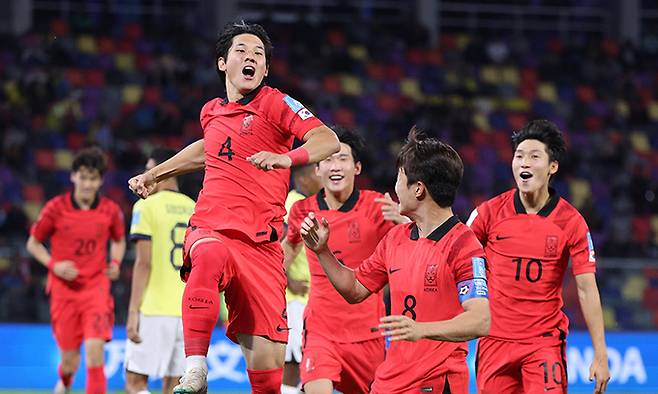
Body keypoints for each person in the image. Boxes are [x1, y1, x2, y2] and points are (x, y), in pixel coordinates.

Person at [128, 21, 340, 393]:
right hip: (213, 225)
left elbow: (327, 139)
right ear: (222, 63)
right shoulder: (211, 112)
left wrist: (286, 159)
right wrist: (157, 174)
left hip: (261, 246)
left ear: (266, 69)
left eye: (259, 54)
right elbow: (207, 148)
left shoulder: (276, 103)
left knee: (268, 370)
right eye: (242, 51)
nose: (251, 58)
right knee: (207, 256)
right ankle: (195, 369)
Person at [299, 127, 490, 393]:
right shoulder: (396, 238)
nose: (395, 188)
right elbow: (354, 289)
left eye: (400, 178)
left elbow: (480, 320)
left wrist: (422, 330)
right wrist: (323, 252)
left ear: (419, 189)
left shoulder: (463, 245)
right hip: (391, 381)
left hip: (435, 382)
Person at [467, 119, 610, 394]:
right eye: (519, 156)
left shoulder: (572, 222)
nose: (524, 163)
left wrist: (600, 354)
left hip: (543, 342)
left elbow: (586, 289)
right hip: (495, 339)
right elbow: (455, 254)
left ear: (552, 167)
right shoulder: (488, 213)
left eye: (534, 156)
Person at [283, 126, 408, 394]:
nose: (335, 165)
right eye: (327, 159)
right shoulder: (301, 211)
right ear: (317, 169)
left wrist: (406, 222)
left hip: (368, 334)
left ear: (357, 167)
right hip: (320, 331)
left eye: (342, 158)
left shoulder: (377, 207)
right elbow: (283, 256)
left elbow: (412, 252)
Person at [26, 147, 126, 394]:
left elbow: (119, 240)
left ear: (100, 180)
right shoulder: (55, 208)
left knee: (94, 352)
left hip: (96, 289)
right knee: (70, 361)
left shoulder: (110, 211)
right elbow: (33, 243)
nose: (87, 184)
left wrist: (115, 263)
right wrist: (54, 265)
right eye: (83, 177)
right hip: (64, 292)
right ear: (73, 177)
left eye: (93, 178)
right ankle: (66, 380)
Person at [124, 148, 196, 394]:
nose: (146, 175)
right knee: (174, 387)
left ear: (164, 171)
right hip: (188, 312)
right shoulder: (196, 207)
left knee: (134, 383)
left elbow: (143, 263)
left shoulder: (146, 206)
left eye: (150, 169)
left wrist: (133, 311)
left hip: (154, 309)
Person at [281, 163, 322, 394]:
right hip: (293, 298)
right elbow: (276, 246)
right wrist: (287, 279)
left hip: (308, 295)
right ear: (305, 178)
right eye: (317, 173)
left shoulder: (310, 204)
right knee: (294, 360)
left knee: (306, 358)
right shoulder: (292, 203)